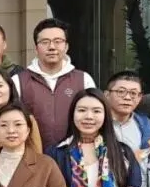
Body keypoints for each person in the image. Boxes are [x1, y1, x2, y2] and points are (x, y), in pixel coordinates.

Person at [12, 18, 96, 151]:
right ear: (36, 48)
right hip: (33, 156)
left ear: (66, 46)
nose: (52, 47)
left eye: (58, 41)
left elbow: (94, 119)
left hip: (75, 156)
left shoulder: (84, 79)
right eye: (45, 42)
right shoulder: (18, 81)